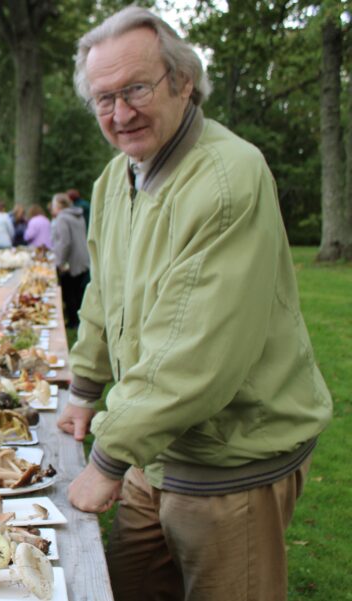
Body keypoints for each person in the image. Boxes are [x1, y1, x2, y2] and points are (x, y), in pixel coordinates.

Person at [60, 7, 331, 601]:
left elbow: (196, 354)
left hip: (233, 462)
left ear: (183, 81)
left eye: (136, 89)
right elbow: (104, 294)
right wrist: (84, 387)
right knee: (126, 587)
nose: (121, 113)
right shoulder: (116, 178)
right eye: (104, 99)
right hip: (153, 451)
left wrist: (107, 461)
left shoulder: (228, 177)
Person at [48, 193, 89, 328]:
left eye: (53, 205)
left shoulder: (62, 218)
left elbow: (65, 242)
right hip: (82, 259)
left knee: (69, 293)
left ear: (59, 206)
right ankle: (80, 320)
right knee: (78, 293)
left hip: (70, 261)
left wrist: (59, 262)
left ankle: (73, 322)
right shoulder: (78, 215)